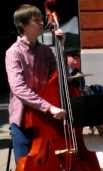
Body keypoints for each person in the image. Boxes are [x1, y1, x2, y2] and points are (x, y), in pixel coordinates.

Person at [5, 4, 65, 162]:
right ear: (23, 25)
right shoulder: (13, 52)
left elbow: (60, 77)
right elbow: (18, 89)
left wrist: (61, 46)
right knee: (26, 168)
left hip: (46, 117)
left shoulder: (45, 51)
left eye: (41, 19)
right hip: (24, 119)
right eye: (36, 20)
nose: (41, 23)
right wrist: (48, 107)